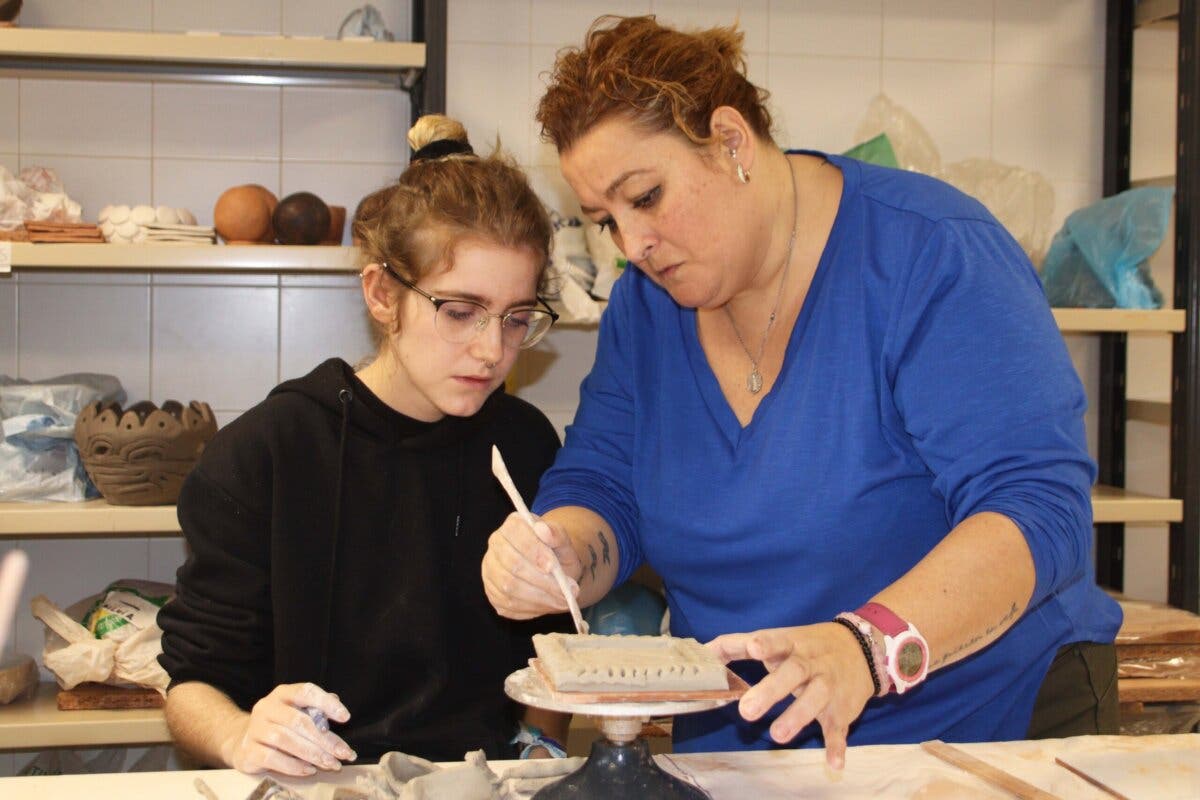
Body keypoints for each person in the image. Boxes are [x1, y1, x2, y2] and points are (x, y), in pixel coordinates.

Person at [481, 15, 1122, 769]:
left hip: (979, 730)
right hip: (744, 742)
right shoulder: (646, 310)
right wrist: (556, 555)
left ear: (730, 142)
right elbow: (606, 488)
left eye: (646, 197)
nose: (633, 246)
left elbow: (1036, 508)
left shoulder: (928, 254)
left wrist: (868, 644)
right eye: (604, 222)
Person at [158, 114, 571, 777]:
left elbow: (553, 643)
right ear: (383, 294)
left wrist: (540, 748)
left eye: (517, 318)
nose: (493, 351)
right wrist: (239, 735)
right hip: (320, 781)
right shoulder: (267, 455)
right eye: (461, 311)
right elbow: (191, 686)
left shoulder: (523, 445)